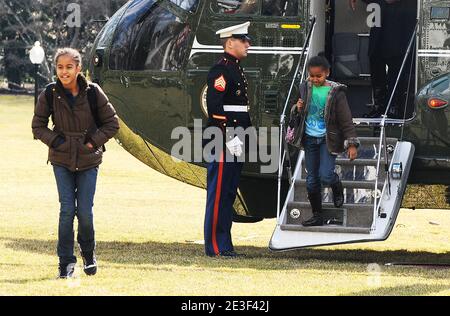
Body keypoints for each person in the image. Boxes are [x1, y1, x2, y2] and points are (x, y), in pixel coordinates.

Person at [32, 48, 120, 278]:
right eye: (60, 67)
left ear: (78, 68)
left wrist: (92, 143)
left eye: (69, 67)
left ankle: (88, 253)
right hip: (61, 159)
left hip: (89, 160)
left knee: (85, 212)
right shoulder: (50, 93)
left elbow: (112, 123)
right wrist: (58, 142)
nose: (64, 72)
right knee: (66, 210)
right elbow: (37, 126)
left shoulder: (93, 92)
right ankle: (66, 262)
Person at [288, 55, 359, 226]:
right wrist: (296, 108)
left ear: (327, 73)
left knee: (325, 175)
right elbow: (295, 110)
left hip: (328, 139)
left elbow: (346, 119)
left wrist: (351, 144)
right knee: (312, 180)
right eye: (311, 76)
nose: (315, 79)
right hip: (310, 139)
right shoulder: (305, 87)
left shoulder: (336, 93)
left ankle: (336, 184)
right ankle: (317, 214)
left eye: (318, 76)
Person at [204, 22, 252, 258]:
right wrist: (229, 136)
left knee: (229, 192)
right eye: (243, 40)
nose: (248, 44)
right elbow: (214, 109)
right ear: (230, 42)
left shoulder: (236, 68)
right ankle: (214, 245)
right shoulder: (221, 69)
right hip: (224, 138)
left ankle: (225, 244)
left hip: (237, 137)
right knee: (219, 193)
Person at [350, 0, 417, 118]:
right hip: (380, 22)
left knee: (397, 67)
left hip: (401, 22)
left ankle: (394, 107)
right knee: (376, 63)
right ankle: (379, 107)